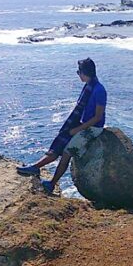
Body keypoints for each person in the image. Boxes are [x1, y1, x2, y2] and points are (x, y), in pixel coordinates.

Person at [17, 58, 107, 194]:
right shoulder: (89, 86)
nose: (78, 75)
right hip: (84, 124)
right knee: (60, 144)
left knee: (66, 153)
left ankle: (51, 184)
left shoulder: (99, 90)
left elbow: (98, 117)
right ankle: (35, 167)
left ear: (84, 73)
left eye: (78, 72)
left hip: (93, 129)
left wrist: (78, 129)